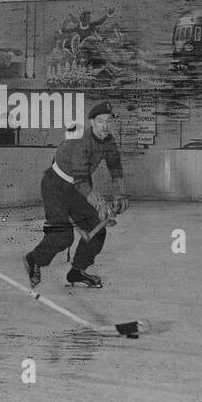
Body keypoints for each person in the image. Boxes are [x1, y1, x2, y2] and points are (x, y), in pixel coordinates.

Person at [24, 102, 129, 290]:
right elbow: (80, 182)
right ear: (91, 122)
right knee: (63, 237)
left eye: (108, 121)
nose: (105, 126)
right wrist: (100, 205)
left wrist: (119, 194)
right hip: (56, 185)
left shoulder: (109, 141)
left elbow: (115, 167)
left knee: (97, 229)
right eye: (100, 121)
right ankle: (33, 259)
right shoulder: (82, 141)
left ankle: (76, 271)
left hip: (77, 186)